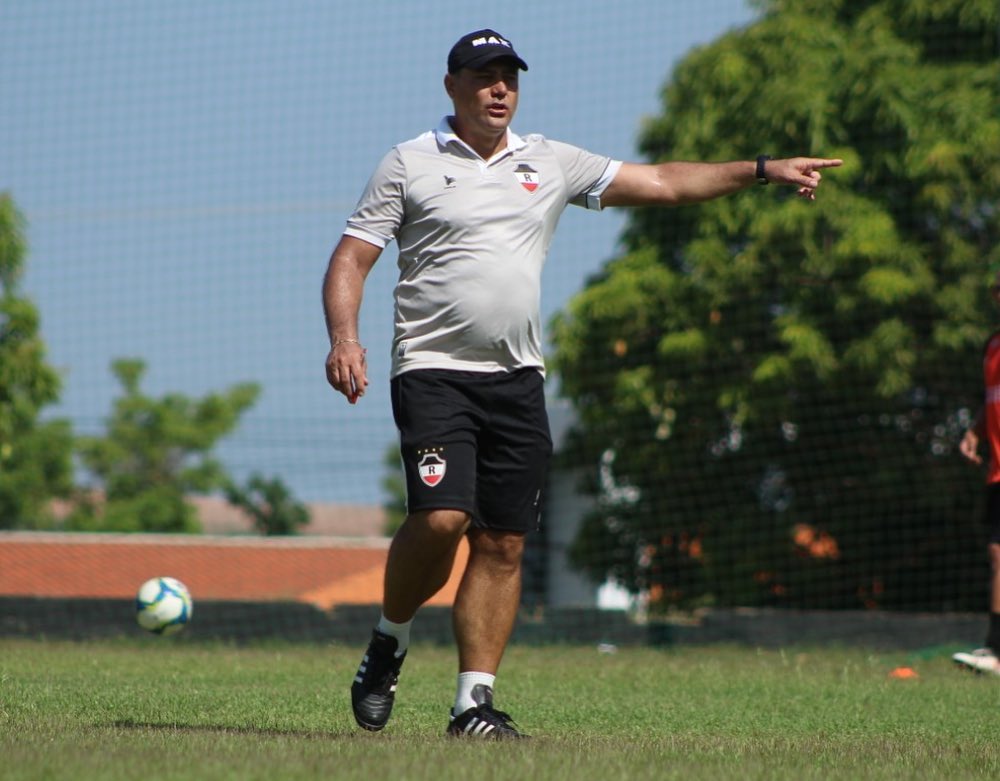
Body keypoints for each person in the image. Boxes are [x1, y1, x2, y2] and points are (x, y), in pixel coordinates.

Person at [322, 28, 842, 739]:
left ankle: (472, 704)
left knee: (503, 542)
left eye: (509, 75)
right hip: (434, 370)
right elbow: (351, 259)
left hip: (518, 378)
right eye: (483, 76)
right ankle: (390, 638)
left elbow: (660, 182)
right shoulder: (408, 162)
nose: (499, 88)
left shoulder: (550, 160)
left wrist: (760, 167)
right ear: (452, 87)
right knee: (442, 517)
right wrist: (344, 339)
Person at [953, 267, 1000, 676]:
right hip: (998, 470)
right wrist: (975, 432)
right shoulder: (992, 347)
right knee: (997, 553)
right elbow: (992, 402)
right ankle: (994, 649)